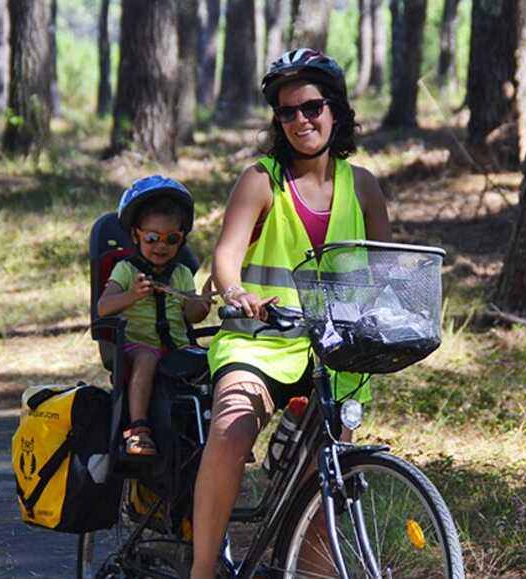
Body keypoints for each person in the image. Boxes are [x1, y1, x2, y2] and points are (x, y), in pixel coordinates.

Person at [191, 48, 392, 578]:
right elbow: (226, 258)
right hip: (258, 342)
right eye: (287, 112)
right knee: (231, 433)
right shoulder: (261, 180)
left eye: (312, 107)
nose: (301, 120)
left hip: (334, 353)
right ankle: (202, 568)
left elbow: (385, 270)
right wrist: (235, 293)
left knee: (326, 480)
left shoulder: (364, 186)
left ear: (335, 110)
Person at [98, 176, 214, 456]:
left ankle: (216, 433)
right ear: (136, 234)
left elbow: (193, 315)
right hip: (135, 345)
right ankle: (138, 429)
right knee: (148, 357)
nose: (161, 247)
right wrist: (131, 296)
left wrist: (205, 299)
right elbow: (103, 307)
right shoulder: (126, 270)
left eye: (171, 239)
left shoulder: (182, 273)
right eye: (152, 238)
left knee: (218, 360)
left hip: (177, 345)